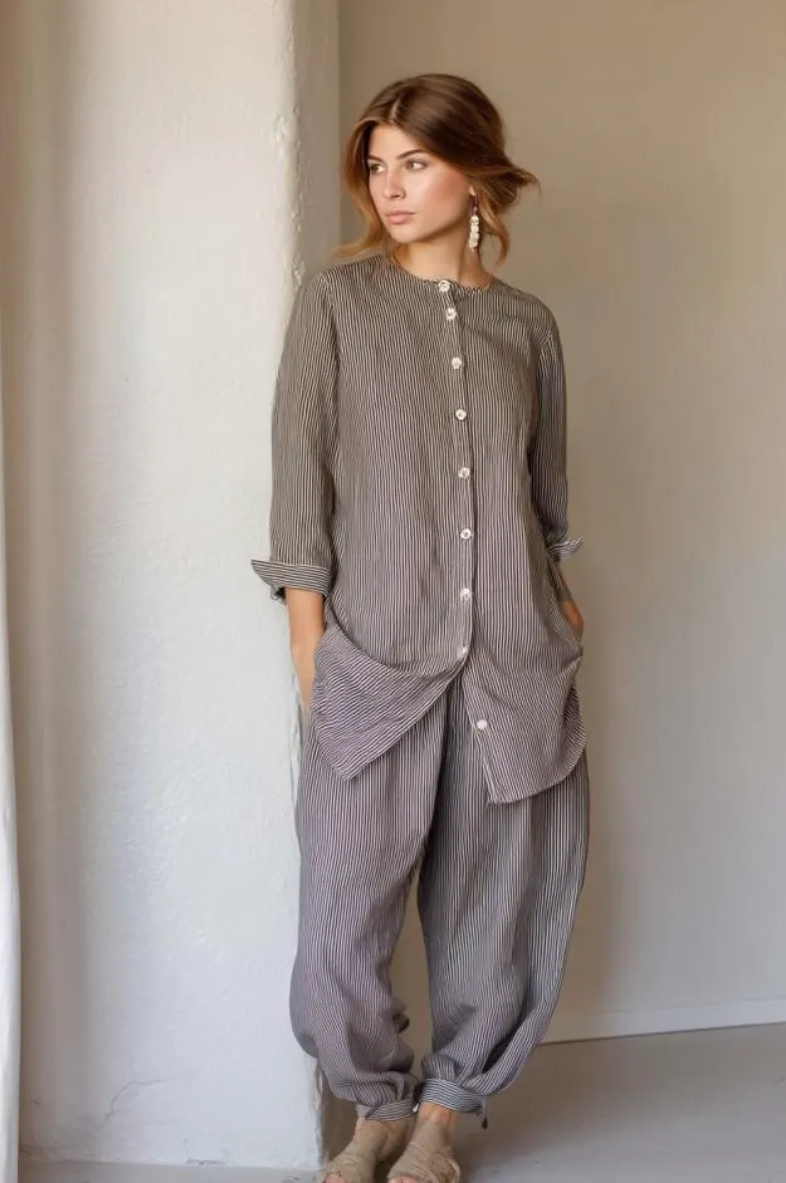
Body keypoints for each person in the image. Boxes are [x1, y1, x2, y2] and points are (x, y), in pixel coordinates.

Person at [252, 73, 589, 1183]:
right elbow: (300, 490)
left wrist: (557, 610)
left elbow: (546, 502)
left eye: (417, 163)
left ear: (475, 174)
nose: (391, 188)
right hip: (375, 659)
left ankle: (441, 1118)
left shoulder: (527, 326)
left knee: (496, 907)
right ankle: (374, 1109)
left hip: (512, 664)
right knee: (340, 923)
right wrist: (311, 643)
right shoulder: (337, 305)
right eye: (377, 165)